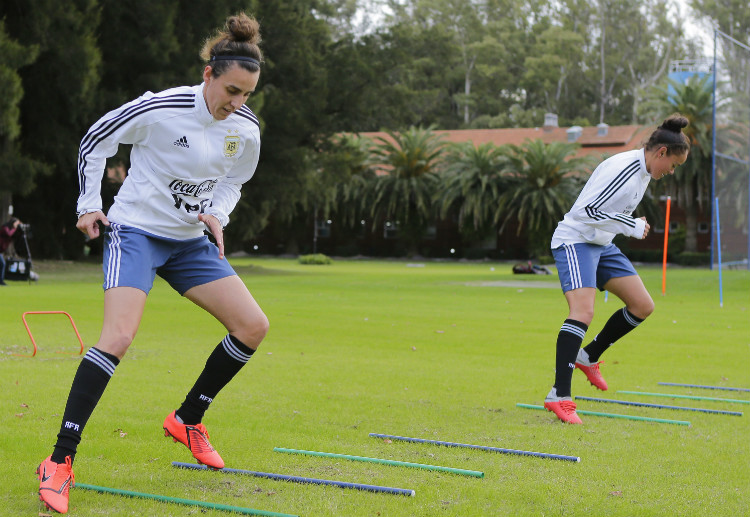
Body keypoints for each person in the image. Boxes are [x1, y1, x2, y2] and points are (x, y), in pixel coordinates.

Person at [37, 13, 267, 514]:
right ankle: (59, 461)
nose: (237, 103)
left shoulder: (244, 129)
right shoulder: (160, 108)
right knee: (117, 338)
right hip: (137, 232)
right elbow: (94, 141)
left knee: (252, 326)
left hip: (188, 242)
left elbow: (234, 181)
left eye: (247, 94)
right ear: (208, 74)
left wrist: (217, 212)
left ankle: (187, 419)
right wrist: (86, 204)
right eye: (231, 90)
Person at [543, 115, 690, 424]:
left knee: (642, 305)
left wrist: (625, 225)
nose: (671, 172)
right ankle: (560, 395)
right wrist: (631, 225)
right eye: (673, 165)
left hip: (601, 243)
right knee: (582, 313)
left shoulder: (645, 171)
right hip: (576, 240)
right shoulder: (624, 168)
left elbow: (607, 213)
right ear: (660, 152)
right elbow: (588, 211)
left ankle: (589, 355)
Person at [0, 217, 23, 285]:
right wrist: (15, 228)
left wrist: (21, 227)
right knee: (2, 264)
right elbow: (8, 234)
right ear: (12, 223)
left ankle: (1, 281)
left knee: (2, 264)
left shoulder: (11, 230)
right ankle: (1, 281)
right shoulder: (5, 228)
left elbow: (16, 236)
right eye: (16, 223)